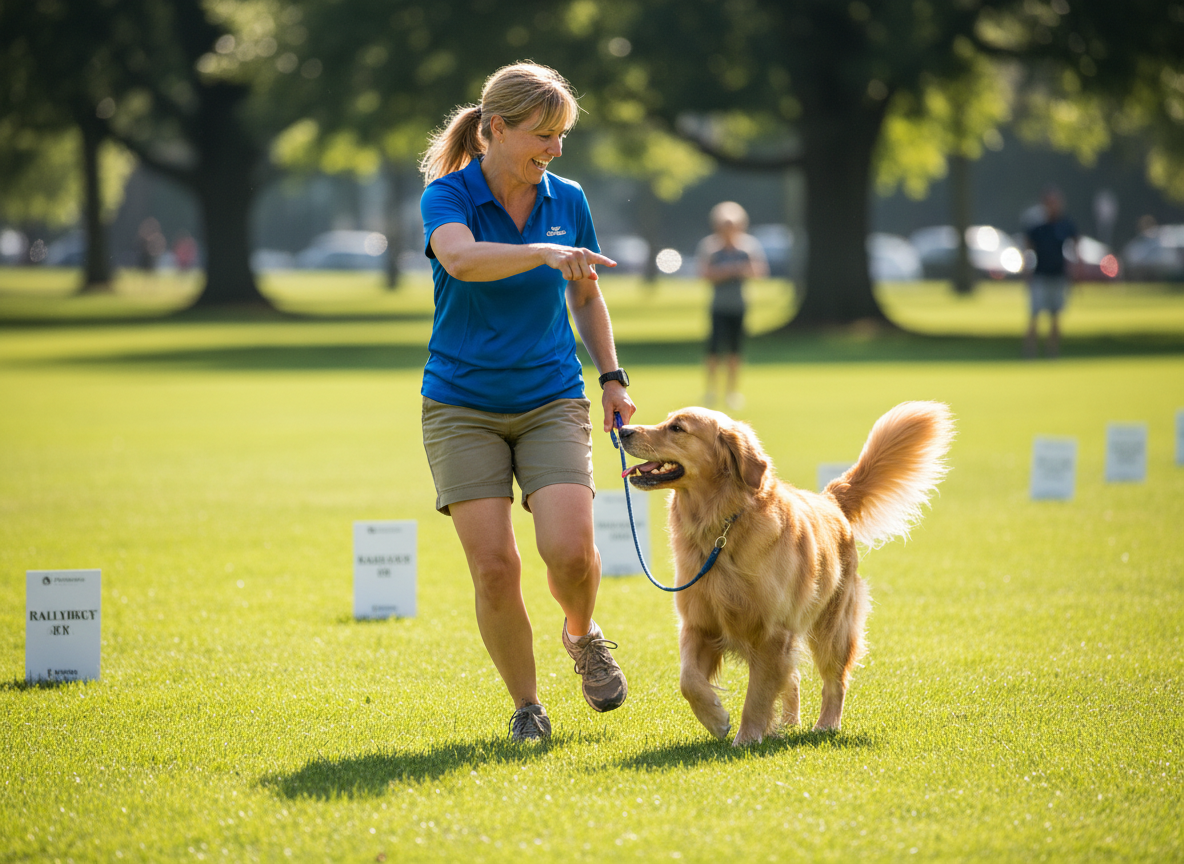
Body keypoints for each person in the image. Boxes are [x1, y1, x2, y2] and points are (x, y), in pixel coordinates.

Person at [418, 63, 636, 742]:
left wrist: (612, 376)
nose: (556, 149)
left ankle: (582, 632)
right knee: (494, 566)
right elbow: (460, 259)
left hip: (550, 397)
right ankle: (527, 707)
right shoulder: (446, 196)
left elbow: (586, 295)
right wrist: (541, 251)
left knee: (569, 551)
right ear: (495, 130)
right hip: (460, 405)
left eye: (562, 135)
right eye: (544, 135)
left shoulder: (567, 198)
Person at [696, 201, 767, 409]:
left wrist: (740, 269)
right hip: (718, 306)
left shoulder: (747, 247)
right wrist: (728, 271)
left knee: (735, 352)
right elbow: (704, 274)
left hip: (739, 306)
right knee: (713, 352)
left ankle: (732, 392)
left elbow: (759, 272)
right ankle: (711, 390)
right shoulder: (710, 248)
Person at [1024, 187, 1079, 359]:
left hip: (1058, 275)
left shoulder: (1065, 224)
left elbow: (1075, 244)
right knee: (1034, 315)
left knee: (1056, 315)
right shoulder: (1037, 226)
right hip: (1040, 275)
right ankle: (1029, 352)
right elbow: (1028, 247)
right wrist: (1026, 271)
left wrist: (1076, 268)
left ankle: (1052, 352)